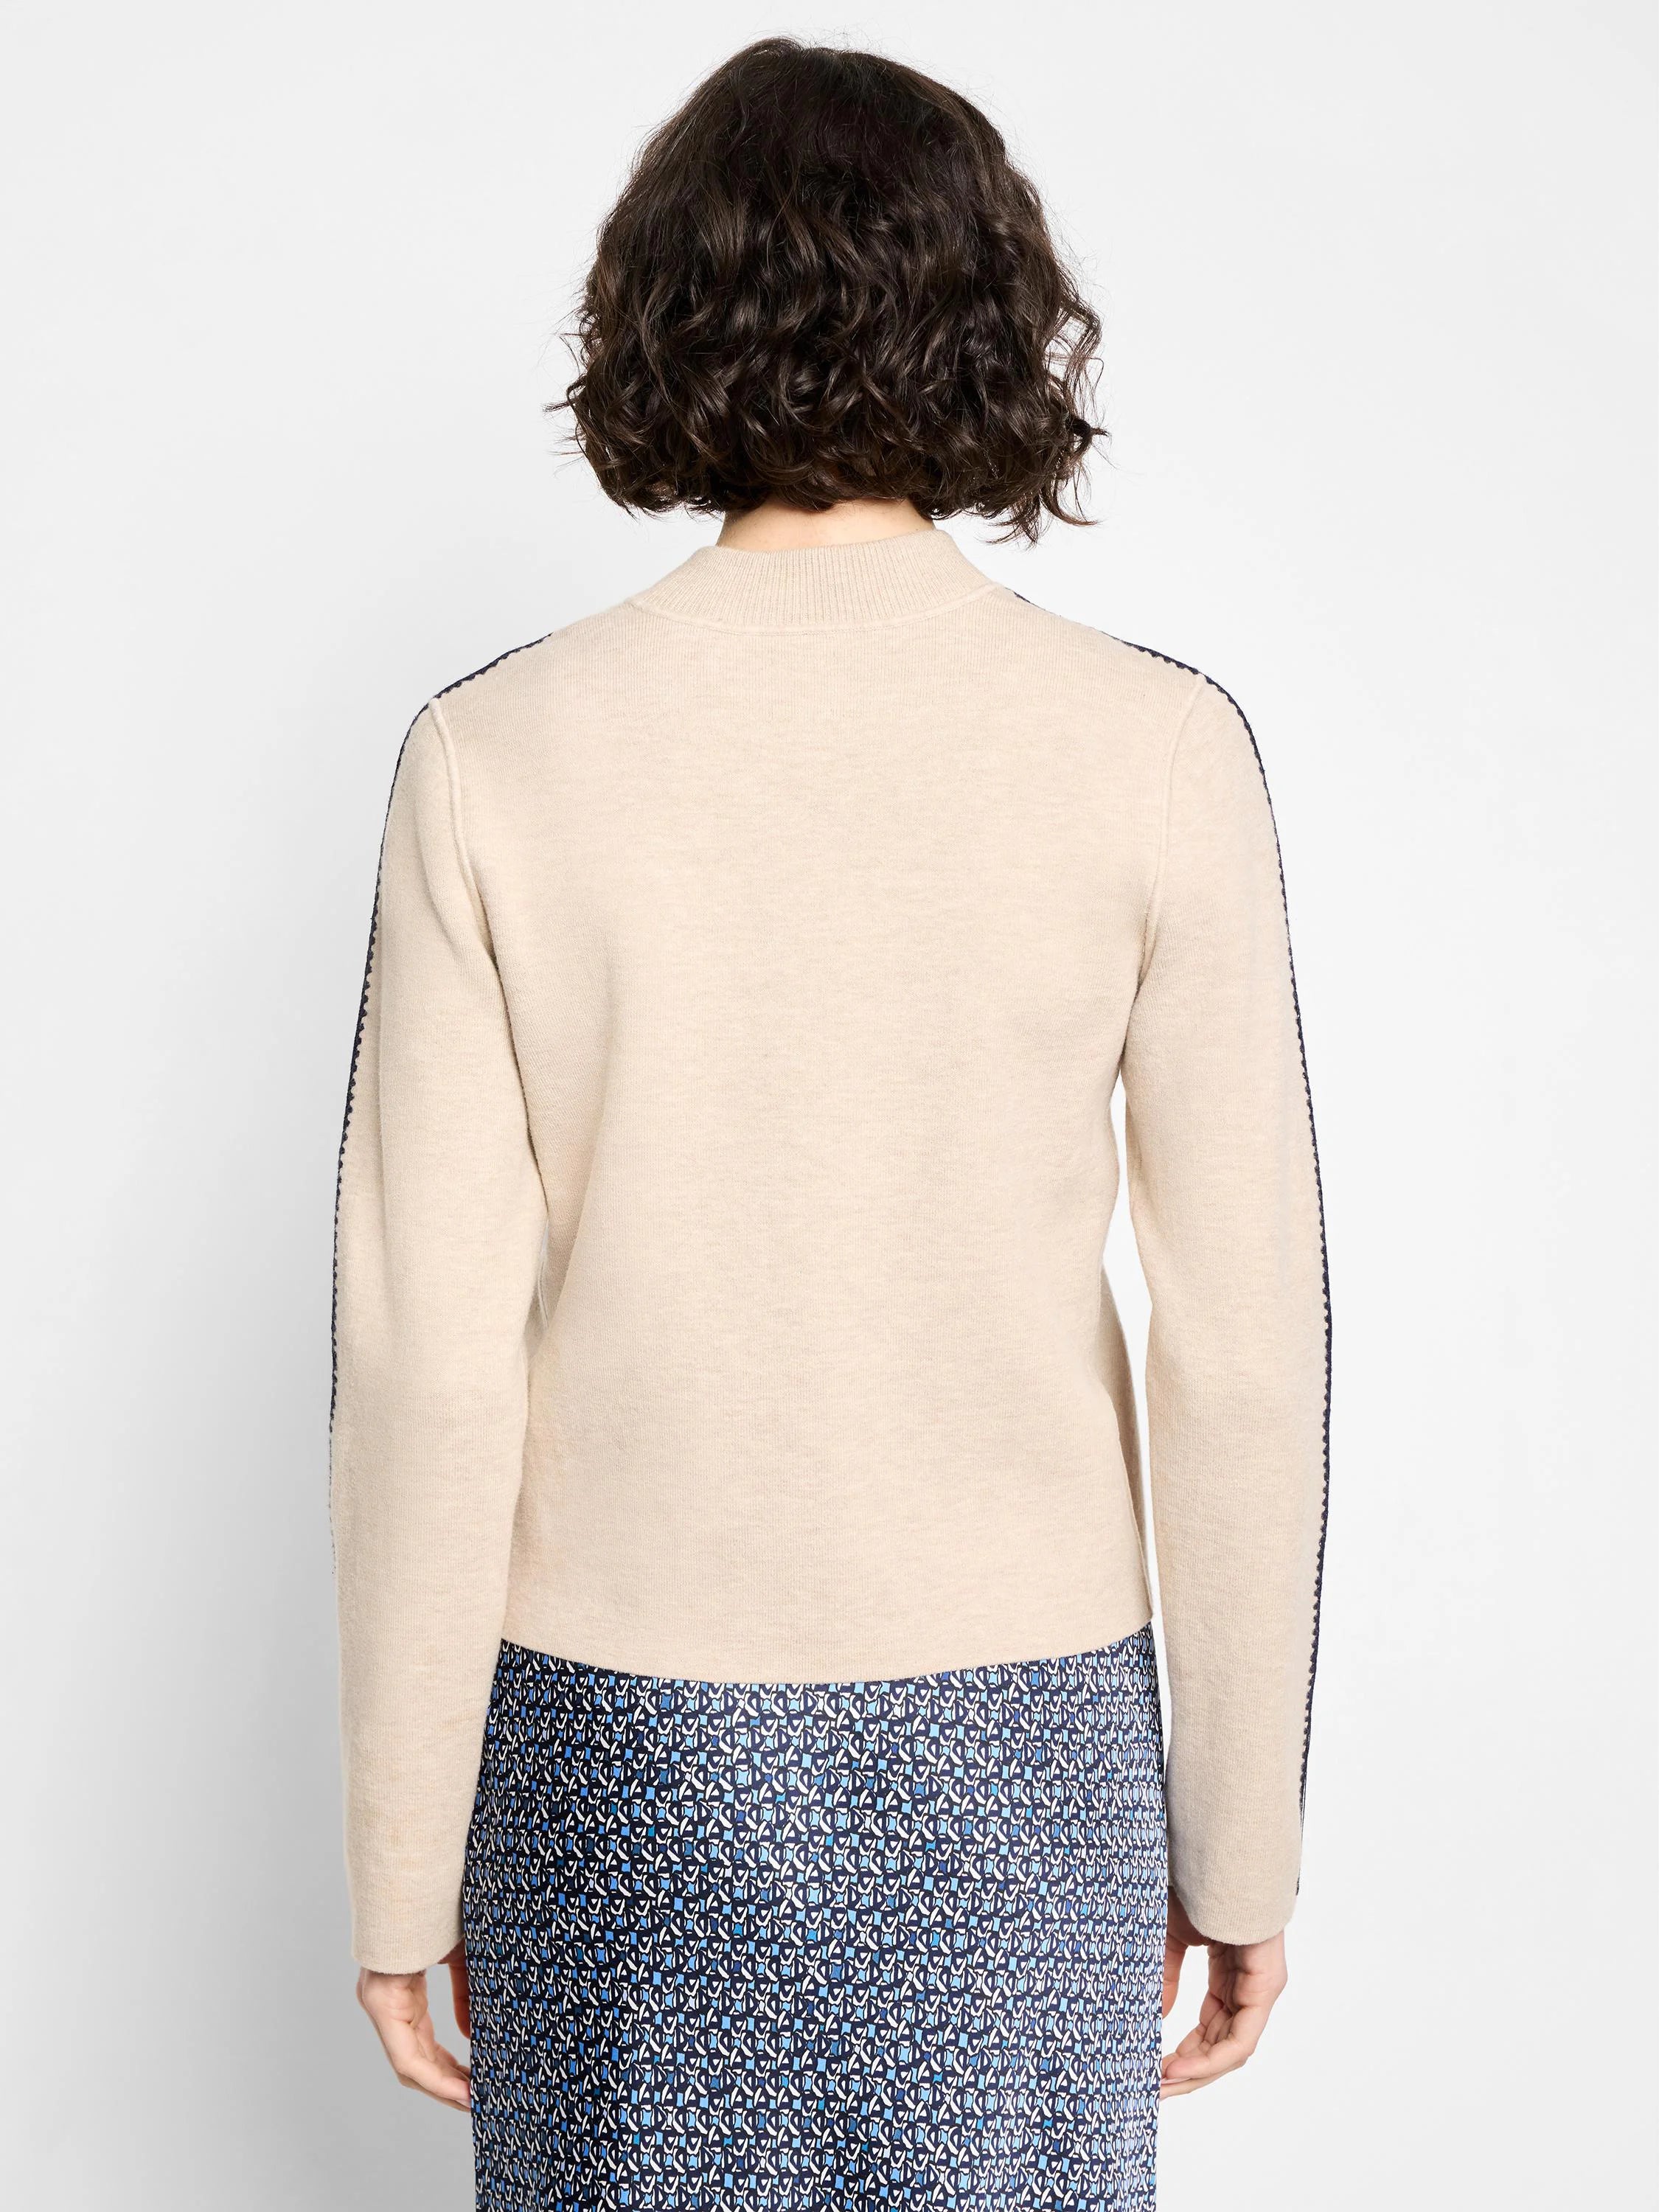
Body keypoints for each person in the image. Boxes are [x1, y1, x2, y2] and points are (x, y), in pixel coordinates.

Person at [330, 37, 1329, 2208]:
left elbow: (426, 1363)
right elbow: (1242, 1351)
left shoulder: (497, 755)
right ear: (995, 321)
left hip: (616, 1744)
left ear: (657, 321)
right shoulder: (1154, 750)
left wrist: (403, 1858)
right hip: (1024, 1744)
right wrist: (1239, 1836)